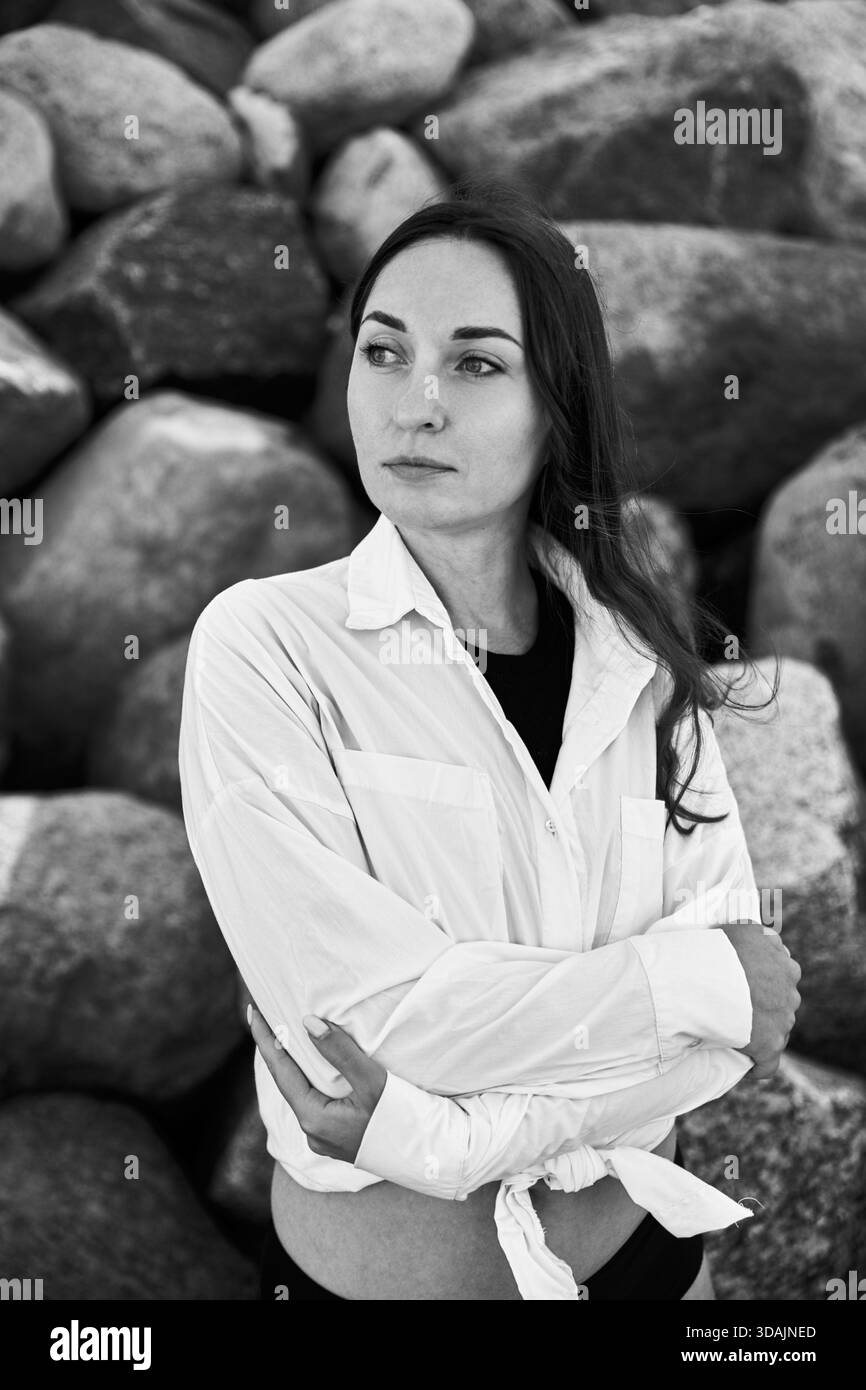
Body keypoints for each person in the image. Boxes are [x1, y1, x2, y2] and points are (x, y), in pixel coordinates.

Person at [178, 179, 801, 1301]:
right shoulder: (266, 646)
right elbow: (365, 1030)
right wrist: (677, 984)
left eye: (474, 362)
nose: (413, 404)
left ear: (555, 403)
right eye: (381, 352)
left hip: (647, 1267)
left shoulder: (648, 665)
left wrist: (426, 1135)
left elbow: (723, 1047)